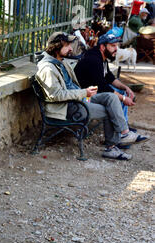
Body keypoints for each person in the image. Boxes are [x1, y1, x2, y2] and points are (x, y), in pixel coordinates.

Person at [35, 32, 148, 160]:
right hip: (68, 107)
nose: (71, 49)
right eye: (67, 46)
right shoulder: (48, 68)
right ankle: (111, 148)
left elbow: (106, 79)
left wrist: (85, 93)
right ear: (56, 47)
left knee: (110, 98)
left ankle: (124, 133)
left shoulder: (60, 62)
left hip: (79, 99)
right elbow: (55, 95)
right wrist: (84, 92)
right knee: (109, 110)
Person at [74, 33, 149, 148]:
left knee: (121, 92)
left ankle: (124, 128)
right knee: (115, 97)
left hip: (95, 90)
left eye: (117, 46)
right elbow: (103, 86)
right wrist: (124, 99)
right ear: (103, 47)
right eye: (113, 46)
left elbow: (109, 77)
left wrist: (126, 88)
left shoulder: (102, 57)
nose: (116, 49)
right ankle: (121, 134)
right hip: (85, 96)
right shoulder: (93, 59)